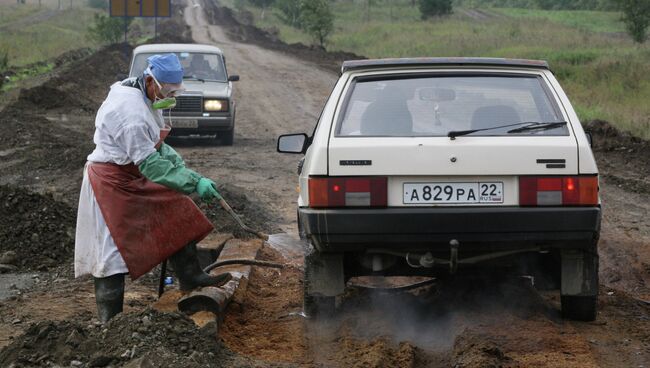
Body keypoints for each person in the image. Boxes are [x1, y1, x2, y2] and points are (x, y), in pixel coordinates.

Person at [75, 53, 230, 323]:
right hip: (112, 181)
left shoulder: (140, 92)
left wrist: (182, 167)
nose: (171, 96)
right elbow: (152, 166)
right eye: (167, 91)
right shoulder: (130, 113)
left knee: (177, 206)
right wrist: (194, 182)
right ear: (150, 81)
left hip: (132, 173)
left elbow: (156, 145)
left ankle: (190, 275)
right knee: (110, 255)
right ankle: (111, 323)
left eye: (174, 91)